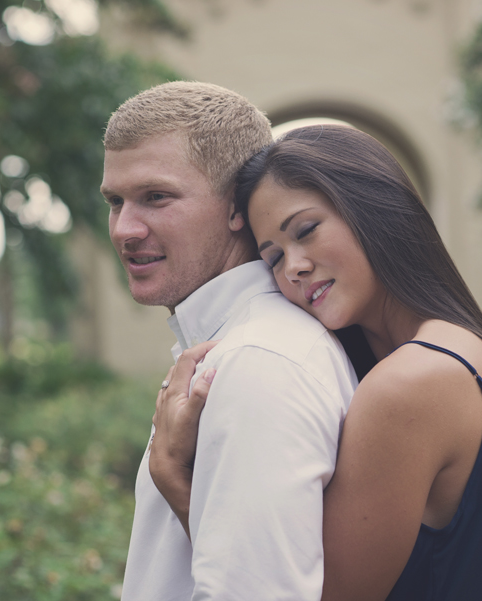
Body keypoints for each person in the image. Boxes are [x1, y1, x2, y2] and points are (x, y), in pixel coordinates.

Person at [150, 125, 482, 600]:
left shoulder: (411, 383)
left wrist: (176, 479)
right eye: (274, 257)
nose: (294, 266)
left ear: (376, 211)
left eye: (306, 230)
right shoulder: (457, 349)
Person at [102, 82, 359, 600]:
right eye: (115, 201)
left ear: (238, 207)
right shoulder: (230, 349)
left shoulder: (257, 364)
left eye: (156, 197)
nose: (125, 229)